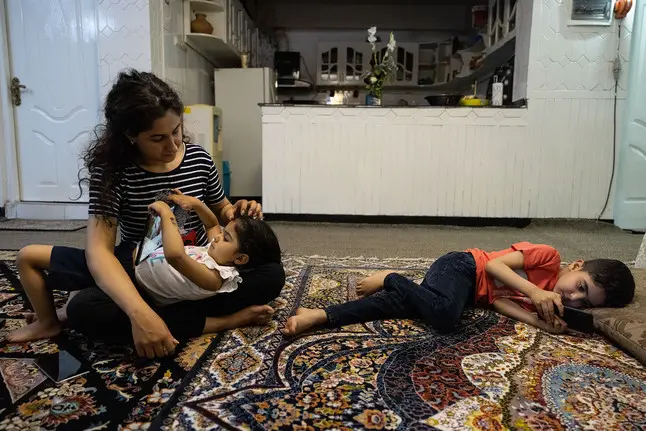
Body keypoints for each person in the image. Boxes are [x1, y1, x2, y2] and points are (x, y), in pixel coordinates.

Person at [10, 69, 285, 358]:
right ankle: (201, 318)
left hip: (202, 270)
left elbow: (222, 212)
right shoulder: (112, 172)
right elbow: (99, 252)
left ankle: (169, 314)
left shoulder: (199, 159)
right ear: (129, 135)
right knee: (85, 310)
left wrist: (239, 210)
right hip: (145, 269)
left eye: (176, 131)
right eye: (157, 138)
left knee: (272, 273)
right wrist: (139, 313)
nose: (173, 145)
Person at [7, 197, 282, 343]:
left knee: (37, 264)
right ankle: (52, 316)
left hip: (136, 281)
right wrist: (198, 205)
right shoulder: (215, 249)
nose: (218, 236)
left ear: (241, 259)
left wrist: (167, 215)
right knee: (29, 256)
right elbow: (212, 223)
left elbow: (174, 255)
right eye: (223, 233)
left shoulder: (214, 278)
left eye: (227, 238)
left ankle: (52, 320)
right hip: (125, 257)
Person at [282, 242, 635, 336]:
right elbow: (495, 266)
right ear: (576, 266)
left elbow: (498, 302)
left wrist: (541, 324)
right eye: (580, 286)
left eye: (583, 302)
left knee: (401, 305)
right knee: (446, 318)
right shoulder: (547, 259)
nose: (572, 297)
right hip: (461, 266)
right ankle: (393, 276)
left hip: (468, 293)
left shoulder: (546, 300)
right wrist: (536, 292)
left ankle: (320, 315)